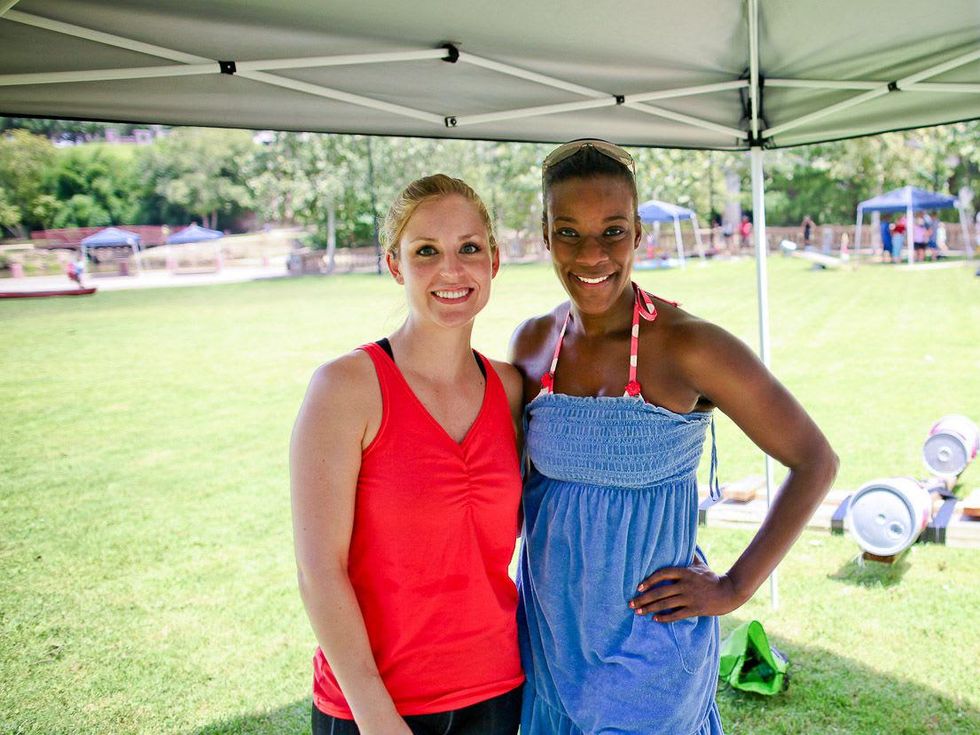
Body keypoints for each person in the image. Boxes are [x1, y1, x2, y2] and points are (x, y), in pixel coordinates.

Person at [509, 140, 838, 735]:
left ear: (638, 232)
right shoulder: (533, 344)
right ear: (545, 234)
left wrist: (735, 587)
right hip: (550, 637)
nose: (591, 254)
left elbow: (815, 460)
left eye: (612, 231)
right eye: (568, 232)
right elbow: (518, 487)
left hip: (650, 644)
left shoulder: (691, 346)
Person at [291, 174, 525, 735]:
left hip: (498, 691)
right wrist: (376, 716)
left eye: (469, 248)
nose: (452, 270)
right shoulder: (345, 388)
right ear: (396, 265)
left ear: (493, 260)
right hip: (375, 707)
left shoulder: (513, 389)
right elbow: (319, 570)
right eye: (426, 252)